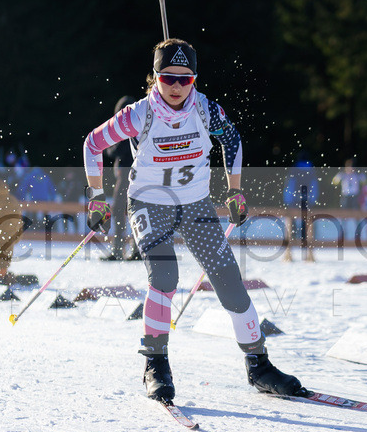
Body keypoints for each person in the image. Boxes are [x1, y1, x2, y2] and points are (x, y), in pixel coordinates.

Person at [81, 38, 306, 404]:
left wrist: (235, 190)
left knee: (229, 281)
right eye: (167, 77)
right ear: (154, 78)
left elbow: (231, 138)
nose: (175, 86)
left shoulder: (206, 111)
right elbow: (93, 143)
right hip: (150, 204)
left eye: (185, 79)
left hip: (195, 204)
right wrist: (97, 196)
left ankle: (259, 364)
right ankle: (155, 363)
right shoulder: (139, 114)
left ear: (195, 81)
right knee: (165, 276)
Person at [102, 95, 140, 260]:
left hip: (126, 176)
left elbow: (115, 151)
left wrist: (108, 148)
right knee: (136, 213)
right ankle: (136, 249)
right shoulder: (139, 126)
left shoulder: (127, 129)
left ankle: (119, 249)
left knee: (119, 211)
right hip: (137, 176)